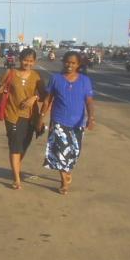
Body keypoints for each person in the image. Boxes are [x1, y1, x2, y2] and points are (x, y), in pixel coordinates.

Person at [0, 47, 46, 189]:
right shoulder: (10, 73)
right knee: (15, 145)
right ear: (19, 59)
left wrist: (34, 98)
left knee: (23, 145)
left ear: (34, 62)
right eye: (25, 60)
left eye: (30, 61)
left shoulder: (37, 76)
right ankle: (17, 179)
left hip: (30, 117)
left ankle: (16, 167)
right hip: (12, 115)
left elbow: (44, 96)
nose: (27, 63)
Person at [40, 50, 95, 195]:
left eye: (73, 63)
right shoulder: (56, 79)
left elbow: (89, 101)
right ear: (63, 62)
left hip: (77, 123)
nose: (69, 65)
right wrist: (41, 117)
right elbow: (47, 100)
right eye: (67, 62)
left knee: (74, 153)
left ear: (78, 64)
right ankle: (64, 182)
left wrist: (91, 117)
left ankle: (67, 170)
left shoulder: (85, 80)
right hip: (59, 121)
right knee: (60, 152)